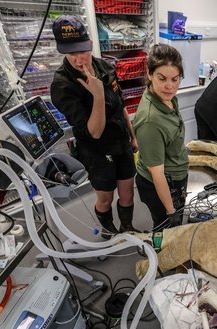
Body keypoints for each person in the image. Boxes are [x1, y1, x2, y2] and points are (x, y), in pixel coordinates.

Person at [50, 15, 138, 238]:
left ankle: (127, 230)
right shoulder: (62, 85)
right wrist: (97, 95)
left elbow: (121, 105)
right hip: (97, 150)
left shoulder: (105, 67)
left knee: (127, 192)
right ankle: (109, 232)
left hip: (121, 142)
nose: (80, 60)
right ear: (63, 52)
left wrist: (132, 136)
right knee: (105, 198)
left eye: (83, 51)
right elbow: (94, 132)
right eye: (72, 54)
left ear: (90, 45)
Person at [133, 44, 187, 230]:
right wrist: (171, 212)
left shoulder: (167, 98)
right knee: (165, 229)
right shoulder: (150, 122)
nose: (169, 86)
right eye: (162, 78)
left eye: (175, 79)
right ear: (149, 74)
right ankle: (158, 256)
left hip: (173, 176)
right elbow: (158, 175)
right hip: (161, 184)